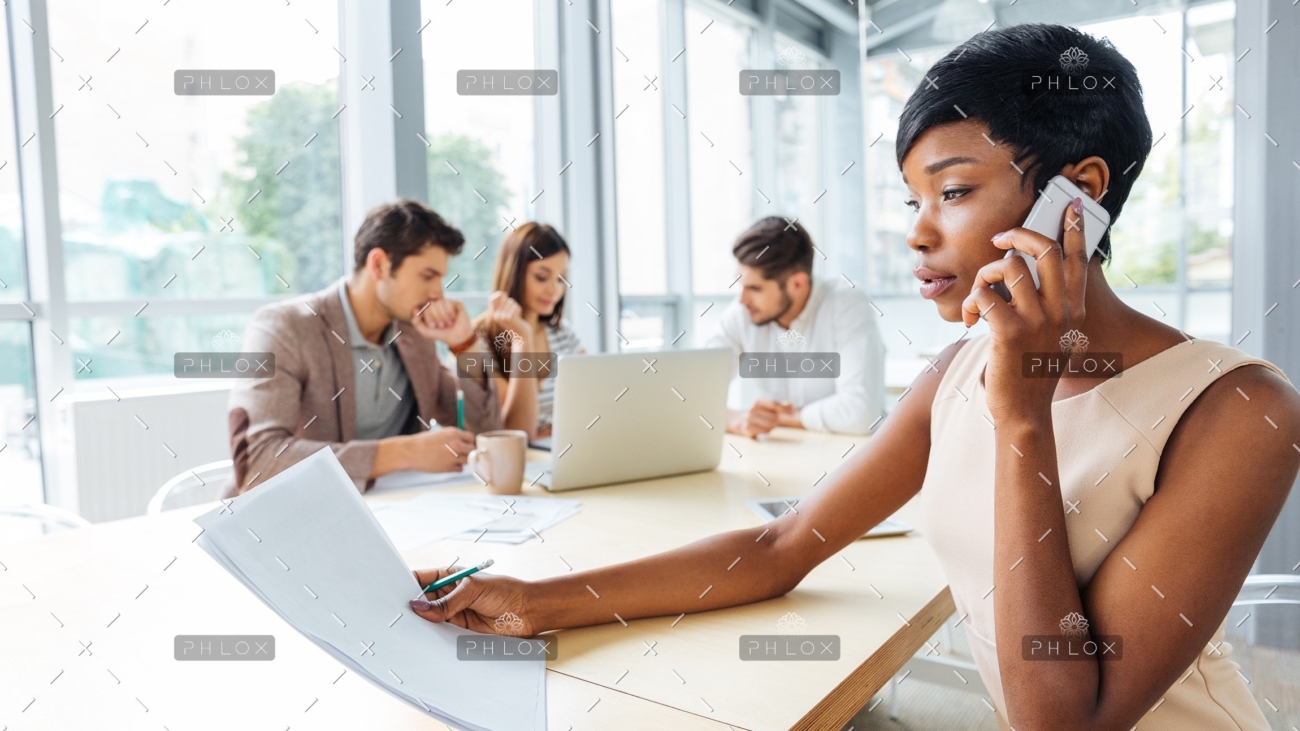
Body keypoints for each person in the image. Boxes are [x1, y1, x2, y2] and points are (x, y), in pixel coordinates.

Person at [405, 25, 1300, 731]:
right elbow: (781, 545)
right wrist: (536, 601)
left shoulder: (1241, 409)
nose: (915, 232)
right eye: (912, 198)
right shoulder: (958, 371)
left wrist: (1022, 416)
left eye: (951, 192)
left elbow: (1063, 719)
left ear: (1079, 193)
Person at [226, 198, 502, 494]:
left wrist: (465, 344)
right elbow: (259, 462)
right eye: (427, 276)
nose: (437, 293)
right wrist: (403, 452)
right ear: (380, 265)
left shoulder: (414, 335)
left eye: (440, 278)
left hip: (397, 513)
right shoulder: (283, 328)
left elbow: (486, 436)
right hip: (294, 516)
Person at [705, 216, 885, 437]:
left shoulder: (846, 304)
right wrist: (735, 419)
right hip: (783, 456)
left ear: (797, 284)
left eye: (755, 288)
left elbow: (861, 413)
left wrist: (785, 417)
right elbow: (693, 393)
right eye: (741, 285)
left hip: (848, 456)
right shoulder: (742, 312)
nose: (742, 299)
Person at [472, 222, 584, 440]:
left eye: (561, 279)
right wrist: (522, 338)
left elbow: (592, 406)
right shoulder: (477, 340)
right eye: (541, 277)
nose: (554, 289)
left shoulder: (563, 334)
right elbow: (517, 431)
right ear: (514, 273)